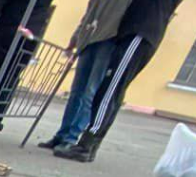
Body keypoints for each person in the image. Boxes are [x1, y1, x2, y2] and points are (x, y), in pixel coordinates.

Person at [54, 0, 183, 162]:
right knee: (112, 90)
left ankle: (86, 145)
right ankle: (91, 145)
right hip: (132, 34)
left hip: (139, 33)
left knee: (109, 91)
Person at [36, 0, 129, 150]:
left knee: (89, 94)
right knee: (76, 93)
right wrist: (75, 39)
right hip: (87, 42)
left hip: (108, 41)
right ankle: (62, 135)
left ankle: (72, 138)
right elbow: (88, 15)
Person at [0, 0, 56, 144]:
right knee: (8, 83)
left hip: (6, 31)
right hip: (28, 40)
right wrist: (32, 32)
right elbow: (43, 12)